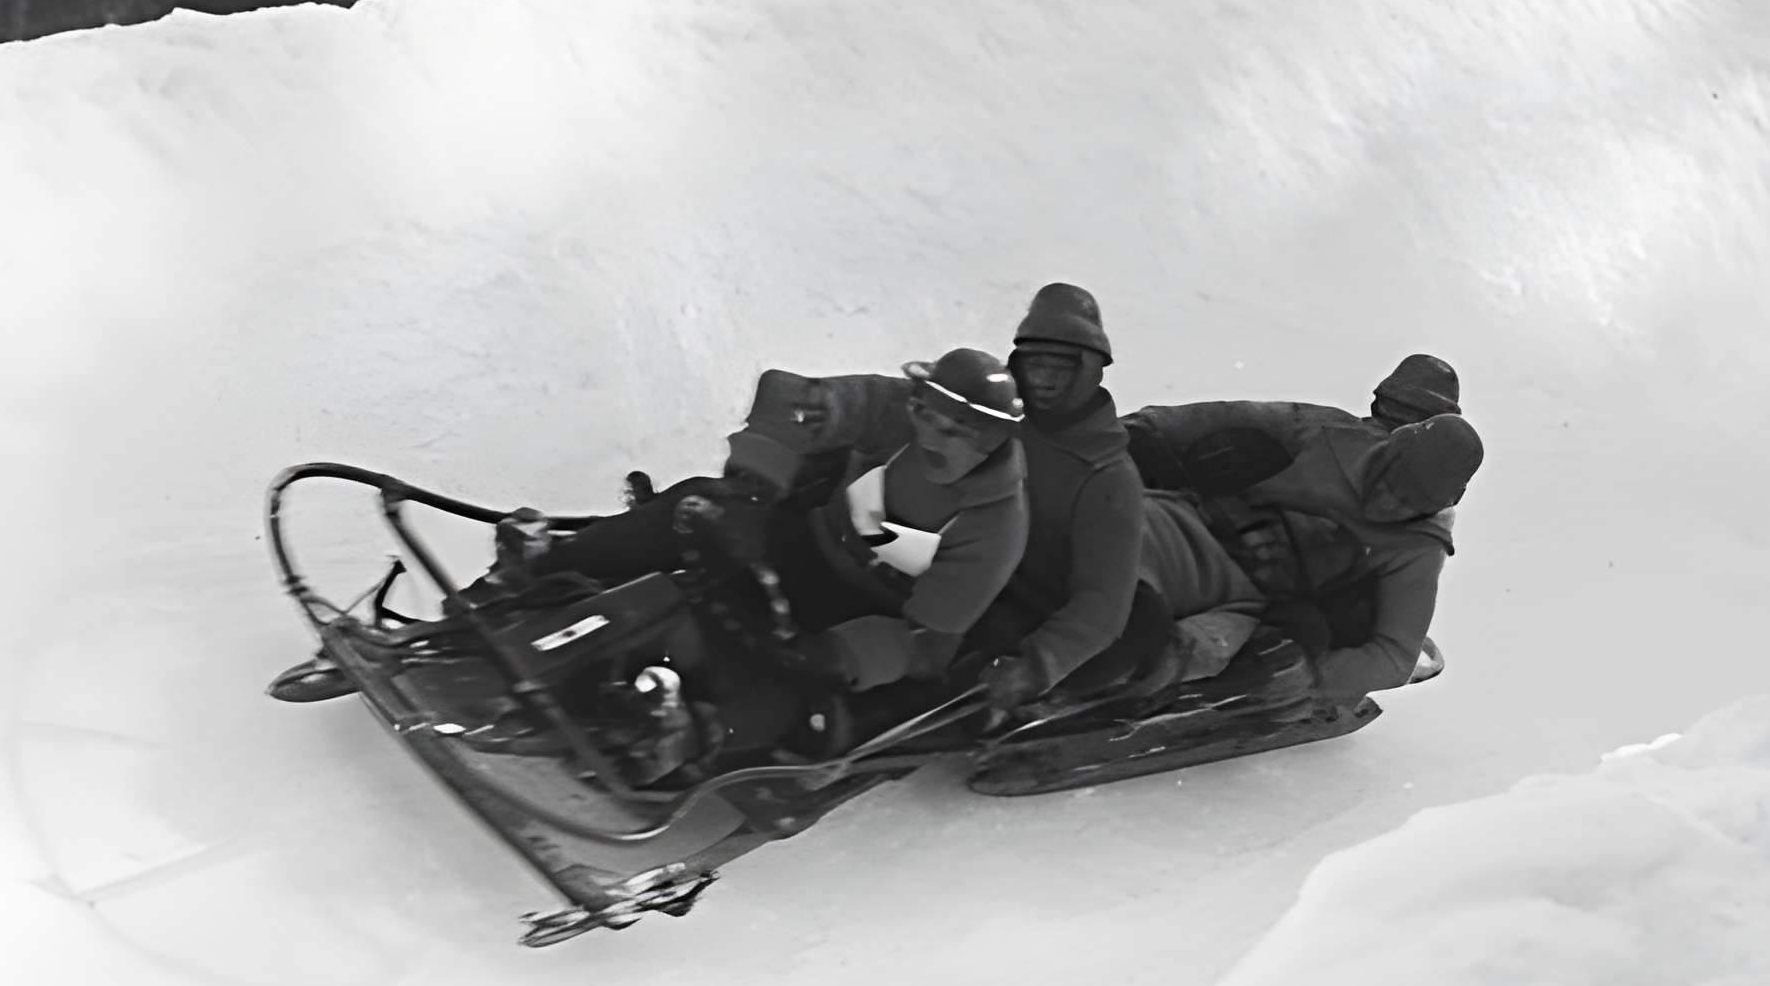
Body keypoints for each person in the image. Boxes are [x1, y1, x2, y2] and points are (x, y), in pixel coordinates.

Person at [504, 348, 1032, 763]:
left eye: (954, 432)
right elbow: (789, 397)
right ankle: (548, 566)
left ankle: (676, 732)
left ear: (988, 442)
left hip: (853, 611)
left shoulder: (995, 528)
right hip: (800, 541)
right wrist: (755, 486)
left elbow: (927, 641)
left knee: (790, 685)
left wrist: (839, 655)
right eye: (925, 414)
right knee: (697, 503)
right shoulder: (899, 414)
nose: (930, 436)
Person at [1122, 383, 1483, 709]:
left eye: (1413, 503)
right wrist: (1125, 439)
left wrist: (1308, 674)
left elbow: (1394, 655)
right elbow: (1190, 426)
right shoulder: (1316, 435)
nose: (1392, 505)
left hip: (1267, 612)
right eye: (1391, 484)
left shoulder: (1418, 545)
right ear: (1387, 451)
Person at [958, 282, 1160, 718]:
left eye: (1062, 369)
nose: (1045, 380)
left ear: (1090, 372)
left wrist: (1033, 669)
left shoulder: (1108, 477)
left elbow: (1100, 606)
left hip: (1071, 601)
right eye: (1035, 365)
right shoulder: (1000, 421)